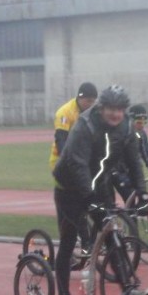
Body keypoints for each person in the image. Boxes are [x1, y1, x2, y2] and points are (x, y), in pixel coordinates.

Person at [51, 84, 148, 295]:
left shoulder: (126, 127)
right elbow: (77, 164)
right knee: (68, 241)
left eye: (120, 109)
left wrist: (142, 193)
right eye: (110, 109)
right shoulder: (85, 126)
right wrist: (90, 200)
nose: (115, 114)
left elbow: (134, 161)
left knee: (110, 232)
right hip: (69, 186)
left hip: (98, 184)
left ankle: (128, 290)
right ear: (102, 108)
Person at [48, 82, 98, 256]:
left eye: (93, 101)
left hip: (81, 162)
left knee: (90, 198)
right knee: (76, 203)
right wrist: (70, 163)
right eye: (88, 101)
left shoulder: (92, 113)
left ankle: (86, 240)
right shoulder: (65, 113)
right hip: (61, 163)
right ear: (80, 97)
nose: (90, 104)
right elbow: (62, 141)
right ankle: (84, 243)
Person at [112, 104, 148, 202]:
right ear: (130, 121)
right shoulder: (121, 133)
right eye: (139, 122)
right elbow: (114, 159)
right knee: (129, 199)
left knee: (143, 199)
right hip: (115, 171)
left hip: (133, 170)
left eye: (144, 122)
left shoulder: (142, 134)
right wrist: (121, 177)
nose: (142, 126)